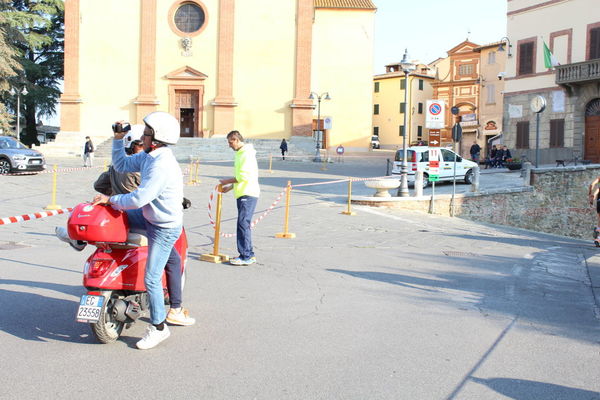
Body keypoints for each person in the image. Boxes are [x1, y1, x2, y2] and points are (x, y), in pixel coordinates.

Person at [92, 111, 186, 350]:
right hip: (148, 217)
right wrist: (116, 138)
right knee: (108, 218)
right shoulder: (148, 156)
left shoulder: (162, 164)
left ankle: (159, 328)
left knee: (152, 278)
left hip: (163, 227)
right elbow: (121, 164)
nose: (141, 137)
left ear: (156, 138)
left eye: (145, 133)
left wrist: (111, 199)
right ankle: (85, 242)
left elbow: (139, 198)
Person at [219, 130, 260, 266]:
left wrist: (226, 181)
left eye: (230, 142)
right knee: (243, 224)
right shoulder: (241, 154)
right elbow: (242, 177)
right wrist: (230, 188)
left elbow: (244, 177)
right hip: (243, 192)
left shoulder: (246, 154)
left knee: (243, 224)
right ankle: (248, 253)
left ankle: (246, 255)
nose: (229, 145)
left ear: (236, 140)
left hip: (247, 193)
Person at [588, 178, 600, 244]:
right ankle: (598, 238)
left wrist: (590, 195)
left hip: (599, 202)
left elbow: (591, 185)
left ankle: (598, 238)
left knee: (599, 220)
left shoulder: (599, 178)